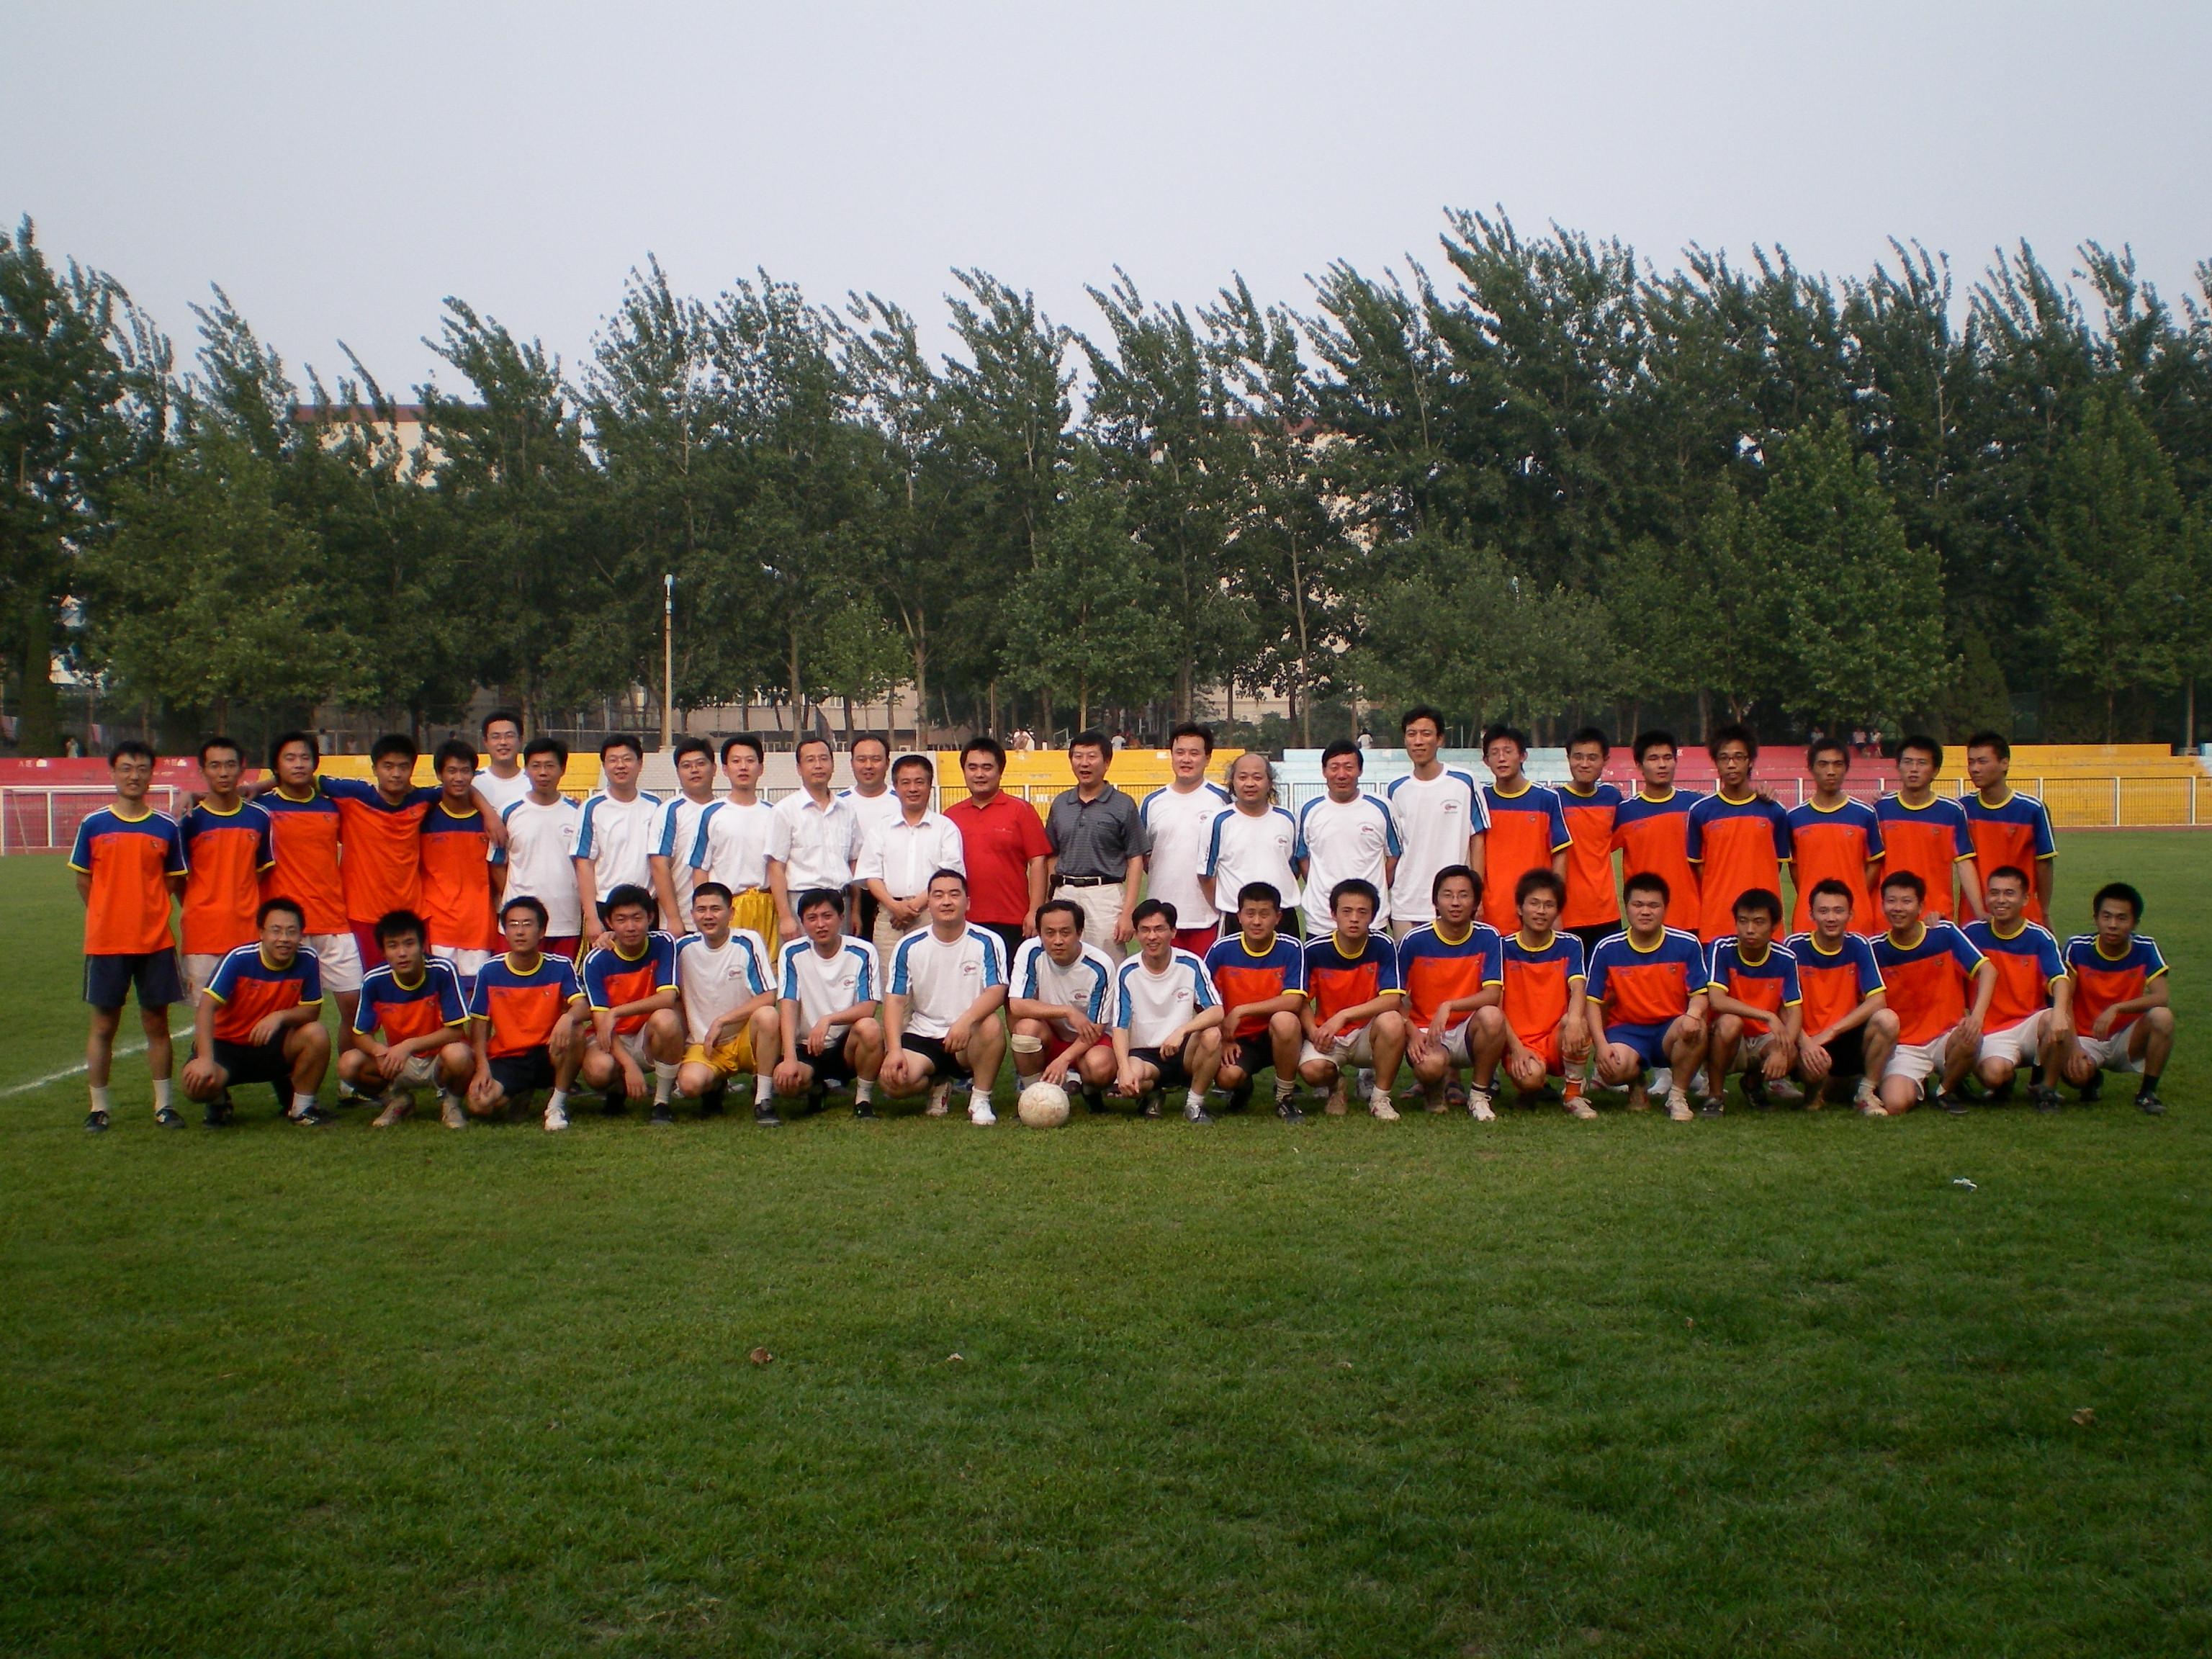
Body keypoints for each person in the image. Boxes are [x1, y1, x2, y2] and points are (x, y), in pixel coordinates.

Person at [71, 739, 189, 1131]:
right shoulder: (94, 824)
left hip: (155, 942)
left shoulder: (166, 827)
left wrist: (146, 911)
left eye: (141, 769)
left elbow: (172, 880)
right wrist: (108, 914)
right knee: (104, 1025)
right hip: (107, 942)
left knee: (157, 1023)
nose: (134, 776)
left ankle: (164, 1106)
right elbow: (84, 880)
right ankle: (98, 1108)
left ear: (151, 775)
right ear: (113, 773)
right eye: (126, 768)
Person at [318, 733, 503, 974]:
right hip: (364, 914)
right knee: (372, 984)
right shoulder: (354, 794)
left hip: (412, 912)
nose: (396, 774)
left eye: (403, 767)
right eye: (388, 766)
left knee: (417, 984)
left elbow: (461, 788)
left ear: (412, 769)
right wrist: (266, 785)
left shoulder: (421, 800)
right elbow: (306, 778)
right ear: (375, 768)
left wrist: (489, 814)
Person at [181, 896, 331, 1126]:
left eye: (291, 931)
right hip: (227, 1047)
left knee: (316, 1034)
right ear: (261, 932)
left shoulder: (307, 959)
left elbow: (312, 1010)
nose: (284, 938)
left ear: (301, 935)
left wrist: (280, 1016)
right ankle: (220, 1102)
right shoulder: (239, 959)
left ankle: (301, 1109)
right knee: (195, 1084)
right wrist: (205, 1059)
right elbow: (206, 1008)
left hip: (270, 1044)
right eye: (276, 930)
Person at [878, 869, 1010, 1123]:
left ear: (967, 902)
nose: (946, 901)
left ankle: (980, 1099)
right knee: (893, 1084)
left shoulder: (988, 941)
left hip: (967, 1036)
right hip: (923, 1034)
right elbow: (895, 1000)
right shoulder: (909, 945)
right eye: (938, 895)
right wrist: (894, 1050)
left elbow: (996, 991)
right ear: (928, 903)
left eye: (954, 894)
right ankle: (937, 1085)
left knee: (992, 1024)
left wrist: (965, 1021)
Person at [257, 732, 363, 1035]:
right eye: (290, 758)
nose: (299, 764)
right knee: (286, 1010)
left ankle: (350, 1065)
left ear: (315, 764)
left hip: (333, 920)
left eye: (305, 758)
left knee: (354, 1008)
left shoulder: (333, 808)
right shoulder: (262, 809)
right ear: (276, 766)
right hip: (286, 926)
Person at [1585, 871, 1709, 1120]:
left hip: (1669, 1029)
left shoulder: (1686, 944)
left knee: (1697, 1028)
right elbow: (1593, 1003)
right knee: (1612, 1069)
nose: (1645, 912)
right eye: (1638, 905)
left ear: (1666, 908)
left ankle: (1677, 1096)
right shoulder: (1608, 948)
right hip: (1627, 1031)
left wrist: (1693, 1014)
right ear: (1627, 907)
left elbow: (1700, 994)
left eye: (1654, 906)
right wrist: (1601, 1046)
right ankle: (1636, 1082)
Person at [1869, 870, 1995, 1116]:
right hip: (1904, 1046)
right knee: (1896, 1104)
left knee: (1970, 1035)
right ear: (1882, 905)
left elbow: (1988, 971)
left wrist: (1977, 1017)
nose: (1898, 908)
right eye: (1891, 901)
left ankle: (1946, 1090)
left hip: (1945, 1037)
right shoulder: (1875, 949)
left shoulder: (1944, 934)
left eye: (1907, 901)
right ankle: (1915, 1082)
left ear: (1920, 906)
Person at [341, 909, 474, 1129]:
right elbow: (360, 1034)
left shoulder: (442, 971)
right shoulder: (374, 980)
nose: (402, 953)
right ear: (383, 951)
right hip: (399, 1061)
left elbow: (455, 1031)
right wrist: (378, 1051)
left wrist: (408, 1046)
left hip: (438, 1057)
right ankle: (397, 1100)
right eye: (393, 946)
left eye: (409, 944)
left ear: (423, 945)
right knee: (348, 1064)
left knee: (459, 1054)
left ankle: (452, 1104)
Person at [464, 895, 585, 1130]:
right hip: (509, 1056)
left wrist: (567, 1017)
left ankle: (556, 1105)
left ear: (542, 932)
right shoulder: (490, 971)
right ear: (505, 931)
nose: (520, 931)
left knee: (576, 1031)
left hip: (548, 1052)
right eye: (513, 925)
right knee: (481, 1104)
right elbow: (479, 1027)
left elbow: (582, 1005)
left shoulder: (560, 965)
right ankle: (521, 1092)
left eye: (527, 924)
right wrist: (482, 1068)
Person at [1397, 865, 1507, 1119]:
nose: (1455, 902)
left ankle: (1479, 1096)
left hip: (1468, 1029)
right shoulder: (1415, 940)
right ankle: (1434, 1091)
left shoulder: (1489, 937)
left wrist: (1449, 1006)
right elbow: (1394, 998)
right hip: (1427, 1030)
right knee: (1431, 1066)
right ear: (1435, 901)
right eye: (1447, 895)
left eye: (1463, 895)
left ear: (1476, 902)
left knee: (1493, 1016)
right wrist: (1412, 1032)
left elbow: (1493, 994)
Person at [1298, 878, 1410, 1119]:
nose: (1354, 919)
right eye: (1346, 911)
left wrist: (1344, 1015)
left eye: (1362, 912)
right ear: (1333, 914)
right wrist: (1313, 1032)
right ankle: (1336, 1086)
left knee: (1392, 1021)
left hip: (1367, 1033)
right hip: (1330, 1035)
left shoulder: (1383, 945)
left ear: (1373, 916)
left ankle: (1380, 1098)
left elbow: (1392, 998)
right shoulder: (1315, 950)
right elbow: (1301, 1000)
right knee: (1312, 1071)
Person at [673, 881, 781, 1125]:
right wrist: (610, 936)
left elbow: (768, 996)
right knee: (689, 1086)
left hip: (743, 1039)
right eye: (701, 910)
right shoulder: (682, 948)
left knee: (768, 1016)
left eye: (716, 909)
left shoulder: (748, 941)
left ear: (731, 913)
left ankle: (763, 1099)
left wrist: (722, 1021)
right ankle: (714, 1087)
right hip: (705, 1044)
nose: (708, 916)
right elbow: (648, 946)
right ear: (692, 915)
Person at [1963, 865, 2069, 1112]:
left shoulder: (2040, 937)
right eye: (1994, 893)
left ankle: (2046, 1089)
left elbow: (2060, 979)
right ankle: (2005, 1081)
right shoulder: (1971, 933)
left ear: (2025, 899)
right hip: (1990, 1029)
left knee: (2057, 1018)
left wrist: (2059, 1014)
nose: (2001, 900)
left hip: (2029, 1024)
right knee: (1993, 1075)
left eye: (2009, 893)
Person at [2059, 881, 2173, 1114]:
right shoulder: (2077, 947)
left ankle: (2147, 1092)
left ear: (2134, 923)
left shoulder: (2145, 948)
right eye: (2107, 917)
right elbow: (2065, 1000)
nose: (2113, 925)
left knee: (2163, 1017)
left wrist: (2117, 1008)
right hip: (2086, 1037)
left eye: (2122, 918)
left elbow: (2162, 996)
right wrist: (2074, 1046)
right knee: (2075, 1075)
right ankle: (2091, 1078)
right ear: (2096, 918)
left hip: (2126, 1038)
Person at [1784, 880, 1896, 1112]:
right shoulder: (1794, 947)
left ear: (1850, 914)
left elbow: (1878, 999)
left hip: (1844, 1035)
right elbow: (1782, 1006)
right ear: (1811, 914)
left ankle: (1865, 1092)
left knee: (1888, 1020)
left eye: (1838, 911)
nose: (1831, 918)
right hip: (1807, 1038)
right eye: (1823, 911)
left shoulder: (1859, 945)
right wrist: (1806, 1043)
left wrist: (1833, 1031)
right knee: (1816, 1073)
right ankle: (1814, 1093)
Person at [1110, 899, 1226, 1122]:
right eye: (1145, 930)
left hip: (1183, 1051)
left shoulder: (1191, 963)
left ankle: (1194, 1104)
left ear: (1173, 932)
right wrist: (1123, 1068)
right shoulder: (1127, 971)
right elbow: (1120, 1027)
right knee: (1131, 1081)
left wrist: (1181, 1031)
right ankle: (1153, 1094)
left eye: (1159, 929)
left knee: (1212, 1035)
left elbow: (1217, 1011)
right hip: (1145, 1054)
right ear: (1137, 934)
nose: (1152, 936)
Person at [178, 736, 274, 1002]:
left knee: (249, 1014)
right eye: (215, 765)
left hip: (248, 934)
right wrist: (200, 906)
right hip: (202, 937)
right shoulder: (189, 821)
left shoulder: (259, 817)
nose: (223, 773)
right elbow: (178, 878)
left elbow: (260, 870)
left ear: (242, 768)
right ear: (202, 770)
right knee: (205, 1016)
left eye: (230, 765)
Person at [578, 883, 683, 1123]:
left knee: (667, 1018)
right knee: (598, 1071)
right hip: (612, 1036)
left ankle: (661, 1102)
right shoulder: (596, 960)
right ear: (609, 922)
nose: (631, 927)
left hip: (647, 1033)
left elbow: (667, 998)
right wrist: (629, 1066)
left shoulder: (663, 943)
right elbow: (601, 1022)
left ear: (650, 917)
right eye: (622, 919)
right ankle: (617, 1091)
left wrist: (616, 1012)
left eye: (637, 918)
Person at [772, 889, 884, 1115]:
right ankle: (816, 1088)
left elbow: (869, 1007)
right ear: (803, 922)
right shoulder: (792, 952)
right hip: (807, 1046)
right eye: (812, 918)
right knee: (786, 1085)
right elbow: (788, 1004)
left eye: (827, 916)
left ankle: (863, 1100)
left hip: (846, 1046)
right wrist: (790, 1058)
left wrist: (828, 1020)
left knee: (870, 1028)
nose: (821, 924)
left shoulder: (863, 951)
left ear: (841, 918)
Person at [1204, 882, 1308, 1120]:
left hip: (1278, 1035)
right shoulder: (1221, 949)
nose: (1257, 922)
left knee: (1285, 1021)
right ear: (1239, 916)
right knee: (1227, 1078)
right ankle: (1243, 1088)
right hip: (1238, 1038)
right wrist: (1223, 1036)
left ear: (1278, 917)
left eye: (1265, 914)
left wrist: (1241, 1010)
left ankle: (1284, 1097)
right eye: (1250, 914)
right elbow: (1203, 999)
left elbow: (1294, 1001)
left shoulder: (1291, 948)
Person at [943, 736, 1051, 962]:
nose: (979, 774)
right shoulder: (950, 817)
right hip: (964, 920)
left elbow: (1038, 861)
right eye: (972, 767)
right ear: (964, 771)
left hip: (1012, 919)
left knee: (1012, 983)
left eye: (987, 767)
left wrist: (1035, 911)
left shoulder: (1021, 811)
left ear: (1000, 771)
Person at [1497, 869, 1593, 1118]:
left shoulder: (1570, 944)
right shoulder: (1503, 948)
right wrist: (1516, 1048)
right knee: (1530, 1078)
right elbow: (1496, 1006)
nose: (1541, 911)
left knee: (1579, 1022)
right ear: (1520, 908)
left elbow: (1578, 987)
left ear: (1558, 910)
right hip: (1519, 1041)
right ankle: (1530, 1089)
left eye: (1549, 905)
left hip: (1555, 1036)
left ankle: (1573, 1095)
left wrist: (1574, 1020)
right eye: (1534, 904)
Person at [1385, 706, 1487, 938]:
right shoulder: (1396, 788)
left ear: (1440, 739)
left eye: (1426, 734)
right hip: (1406, 903)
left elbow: (1478, 840)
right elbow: (1394, 849)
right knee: (1409, 962)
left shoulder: (1464, 782)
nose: (1418, 741)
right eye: (1412, 734)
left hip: (1453, 902)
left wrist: (1476, 895)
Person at [1009, 899, 1120, 1112]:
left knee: (1101, 1067)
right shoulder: (1030, 951)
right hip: (1052, 1037)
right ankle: (1033, 1095)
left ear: (1079, 932)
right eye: (1049, 933)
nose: (1057, 940)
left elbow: (1096, 1029)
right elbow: (1017, 1005)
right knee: (1025, 1030)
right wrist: (1067, 1012)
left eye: (1065, 933)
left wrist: (1065, 1059)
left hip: (1088, 1041)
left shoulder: (1100, 965)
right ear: (1040, 933)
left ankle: (1089, 1089)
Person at [1686, 724, 1793, 944]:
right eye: (1724, 758)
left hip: (1763, 920)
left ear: (1750, 761)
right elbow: (1699, 867)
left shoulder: (1774, 811)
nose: (1731, 764)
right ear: (1716, 762)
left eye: (1739, 757)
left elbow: (1777, 865)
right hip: (1717, 921)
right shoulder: (1701, 812)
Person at [1044, 729, 1148, 952]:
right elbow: (1052, 854)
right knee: (1061, 958)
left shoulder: (1123, 805)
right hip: (1065, 891)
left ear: (1107, 762)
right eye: (1078, 756)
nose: (1084, 763)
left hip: (1105, 896)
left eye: (1092, 756)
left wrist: (1128, 912)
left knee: (1108, 960)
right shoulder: (1061, 804)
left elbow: (1135, 858)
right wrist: (1050, 900)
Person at [1701, 888, 1803, 1115]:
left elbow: (1795, 1011)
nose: (1750, 930)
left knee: (1790, 1052)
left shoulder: (1786, 958)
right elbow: (1717, 1001)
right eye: (1743, 921)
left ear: (1774, 925)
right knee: (1730, 1023)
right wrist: (1767, 1015)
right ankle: (1715, 1096)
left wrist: (1783, 1050)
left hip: (1763, 1037)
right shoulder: (1722, 949)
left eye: (1759, 922)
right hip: (1728, 1036)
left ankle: (1752, 1084)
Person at [858, 752, 966, 958]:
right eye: (905, 782)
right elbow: (871, 875)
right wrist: (895, 907)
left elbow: (950, 873)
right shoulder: (881, 829)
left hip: (931, 914)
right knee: (888, 974)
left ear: (930, 785)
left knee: (931, 972)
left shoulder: (945, 828)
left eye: (919, 782)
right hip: (889, 916)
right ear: (896, 786)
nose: (913, 789)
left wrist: (912, 908)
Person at [1139, 722, 1231, 954]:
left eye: (1194, 753)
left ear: (1207, 758)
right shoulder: (1152, 803)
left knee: (1205, 976)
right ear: (1171, 755)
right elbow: (1145, 858)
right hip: (1161, 919)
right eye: (1180, 752)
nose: (1186, 759)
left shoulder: (1222, 800)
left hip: (1208, 916)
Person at [419, 737, 502, 992]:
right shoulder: (424, 816)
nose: (459, 778)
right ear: (439, 774)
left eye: (465, 771)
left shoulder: (489, 822)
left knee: (477, 1000)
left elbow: (498, 872)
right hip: (438, 925)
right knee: (440, 998)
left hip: (478, 924)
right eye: (452, 771)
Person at [1296, 739, 1401, 940]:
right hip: (1321, 921)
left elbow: (1394, 857)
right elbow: (1302, 857)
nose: (1342, 774)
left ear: (1360, 770)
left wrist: (1372, 892)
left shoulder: (1381, 807)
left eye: (1349, 767)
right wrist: (1322, 888)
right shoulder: (1309, 809)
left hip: (1371, 920)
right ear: (1324, 771)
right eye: (1334, 767)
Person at [1472, 724, 1569, 935]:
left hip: (1536, 911)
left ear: (1523, 756)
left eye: (1508, 751)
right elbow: (1475, 851)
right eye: (1494, 753)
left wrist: (1556, 904)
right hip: (1492, 911)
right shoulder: (1481, 800)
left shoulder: (1546, 799)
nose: (1501, 758)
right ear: (1486, 761)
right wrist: (1476, 897)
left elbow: (1559, 852)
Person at [1874, 735, 1980, 924]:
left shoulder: (1951, 812)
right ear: (1898, 766)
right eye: (1908, 762)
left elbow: (1964, 863)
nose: (1914, 769)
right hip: (1889, 917)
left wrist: (1980, 912)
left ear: (1935, 771)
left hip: (1935, 916)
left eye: (1922, 763)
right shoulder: (1881, 809)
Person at [690, 735, 781, 954]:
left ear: (761, 768)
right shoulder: (710, 813)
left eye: (750, 761)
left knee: (766, 968)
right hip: (728, 908)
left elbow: (778, 867)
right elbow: (700, 869)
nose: (743, 767)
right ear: (724, 769)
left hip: (766, 906)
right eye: (736, 761)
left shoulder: (774, 813)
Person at [495, 738, 584, 961]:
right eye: (536, 766)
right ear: (526, 769)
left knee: (560, 981)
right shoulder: (509, 811)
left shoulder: (578, 812)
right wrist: (515, 901)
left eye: (550, 765)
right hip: (520, 923)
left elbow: (585, 865)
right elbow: (496, 863)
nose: (543, 772)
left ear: (563, 769)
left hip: (565, 920)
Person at [574, 735, 662, 955]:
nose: (620, 765)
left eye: (627, 759)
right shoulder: (592, 808)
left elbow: (660, 862)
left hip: (646, 907)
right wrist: (592, 917)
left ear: (640, 763)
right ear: (604, 766)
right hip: (607, 906)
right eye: (613, 760)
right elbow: (584, 864)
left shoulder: (655, 805)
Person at [1786, 737, 1884, 935]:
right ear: (1811, 768)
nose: (1830, 771)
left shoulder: (1864, 814)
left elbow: (1874, 862)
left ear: (1846, 768)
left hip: (1855, 917)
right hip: (1809, 918)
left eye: (1837, 764)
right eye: (1823, 764)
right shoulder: (1795, 817)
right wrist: (1812, 898)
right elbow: (1794, 866)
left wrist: (1854, 896)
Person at [768, 735, 860, 942]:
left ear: (833, 764)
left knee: (842, 960)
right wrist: (785, 917)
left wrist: (855, 911)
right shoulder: (785, 811)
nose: (818, 765)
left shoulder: (847, 809)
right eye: (810, 760)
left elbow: (854, 862)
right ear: (799, 768)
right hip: (802, 904)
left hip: (840, 903)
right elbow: (775, 867)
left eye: (823, 759)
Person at [1200, 752, 1302, 933]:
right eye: (1243, 777)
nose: (1250, 783)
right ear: (1232, 781)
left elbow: (1292, 869)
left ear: (1269, 782)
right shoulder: (1218, 821)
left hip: (1282, 916)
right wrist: (1233, 906)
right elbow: (1206, 875)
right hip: (1237, 918)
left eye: (1257, 777)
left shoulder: (1287, 819)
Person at [1962, 732, 2058, 927]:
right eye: (1971, 762)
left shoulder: (2032, 809)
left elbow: (2044, 864)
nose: (1975, 769)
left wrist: (2044, 911)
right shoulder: (1962, 809)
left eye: (1982, 761)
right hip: (1974, 916)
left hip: (2023, 915)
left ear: (2004, 763)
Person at [1611, 731, 1701, 933]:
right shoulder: (1626, 812)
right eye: (1653, 759)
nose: (1662, 765)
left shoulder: (1695, 805)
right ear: (1639, 765)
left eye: (1667, 758)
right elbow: (1596, 849)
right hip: (1646, 916)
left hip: (1692, 916)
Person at [1556, 726, 1623, 958]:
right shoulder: (1555, 800)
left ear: (1605, 760)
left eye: (1592, 758)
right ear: (1568, 758)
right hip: (1567, 913)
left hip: (1607, 912)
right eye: (1578, 757)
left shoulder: (1612, 799)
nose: (1584, 764)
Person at [649, 735, 719, 935]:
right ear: (678, 772)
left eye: (701, 764)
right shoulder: (670, 811)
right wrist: (673, 918)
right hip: (684, 922)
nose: (694, 770)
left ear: (714, 768)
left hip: (721, 921)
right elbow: (659, 866)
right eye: (686, 766)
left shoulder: (723, 810)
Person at [838, 733, 900, 941]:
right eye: (861, 759)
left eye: (875, 759)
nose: (868, 766)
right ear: (852, 763)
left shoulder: (902, 801)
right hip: (854, 894)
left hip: (894, 894)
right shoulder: (839, 804)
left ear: (887, 763)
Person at [472, 709, 531, 814]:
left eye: (509, 736)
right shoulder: (472, 782)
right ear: (485, 742)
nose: (503, 742)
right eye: (496, 737)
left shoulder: (533, 781)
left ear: (520, 740)